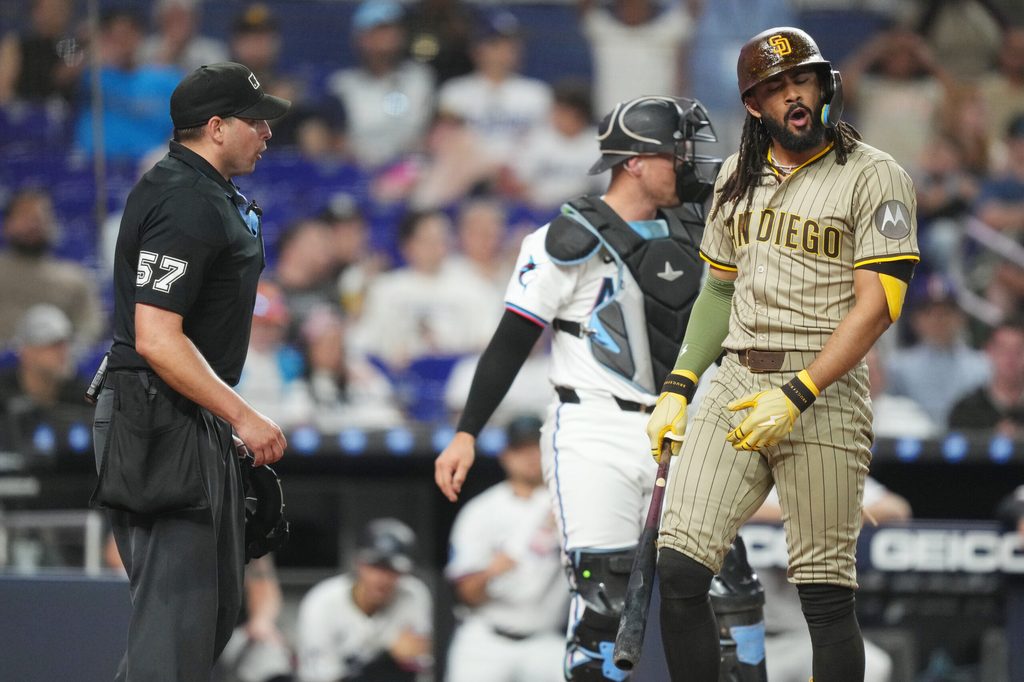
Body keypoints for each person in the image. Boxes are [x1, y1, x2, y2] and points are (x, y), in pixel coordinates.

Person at [645, 27, 920, 682]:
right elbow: (717, 288)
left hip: (822, 390)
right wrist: (680, 385)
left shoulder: (875, 174)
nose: (794, 95)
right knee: (679, 569)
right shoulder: (738, 174)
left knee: (824, 597)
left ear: (827, 85)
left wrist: (797, 393)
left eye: (803, 79)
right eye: (775, 87)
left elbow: (878, 305)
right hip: (737, 376)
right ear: (753, 105)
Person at [435, 94, 722, 679]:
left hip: (685, 426)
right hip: (597, 428)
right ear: (636, 161)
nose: (689, 166)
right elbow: (512, 341)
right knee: (605, 594)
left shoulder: (704, 229)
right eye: (677, 153)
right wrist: (466, 432)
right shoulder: (562, 240)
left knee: (713, 589)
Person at [90, 61, 289, 681]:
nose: (267, 132)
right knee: (176, 623)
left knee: (202, 619)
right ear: (215, 126)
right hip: (156, 420)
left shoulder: (207, 194)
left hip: (180, 415)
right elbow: (155, 337)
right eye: (255, 120)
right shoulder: (182, 200)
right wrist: (241, 413)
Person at [746, 477, 912, 682]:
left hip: (804, 637)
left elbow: (897, 508)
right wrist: (816, 518)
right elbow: (733, 509)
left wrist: (824, 520)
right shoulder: (750, 469)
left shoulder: (822, 470)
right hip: (745, 639)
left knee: (874, 666)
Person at [444, 414, 568, 682]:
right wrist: (491, 572)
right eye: (520, 449)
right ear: (505, 455)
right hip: (487, 638)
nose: (530, 457)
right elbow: (466, 594)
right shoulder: (481, 510)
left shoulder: (566, 505)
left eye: (536, 447)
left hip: (546, 640)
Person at [295, 518, 433, 682]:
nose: (381, 578)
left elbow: (420, 668)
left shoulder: (414, 595)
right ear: (358, 563)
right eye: (375, 566)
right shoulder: (322, 603)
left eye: (391, 569)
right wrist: (387, 659)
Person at [325, 0, 435, 169]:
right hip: (360, 172)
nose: (390, 36)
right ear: (361, 37)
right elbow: (336, 143)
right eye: (381, 29)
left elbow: (432, 134)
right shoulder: (343, 85)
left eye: (394, 28)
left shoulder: (420, 77)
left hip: (414, 170)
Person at [0, 188, 105, 351]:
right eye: (25, 216)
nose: (33, 224)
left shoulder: (74, 278)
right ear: (7, 224)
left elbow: (90, 328)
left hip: (57, 367)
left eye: (39, 217)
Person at [0, 304, 90, 454]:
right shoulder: (4, 393)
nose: (62, 353)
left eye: (64, 345)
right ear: (27, 351)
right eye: (52, 346)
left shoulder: (81, 395)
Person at [948, 316, 1024, 436]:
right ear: (989, 351)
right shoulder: (966, 410)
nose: (1011, 358)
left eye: (1019, 350)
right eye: (1003, 349)